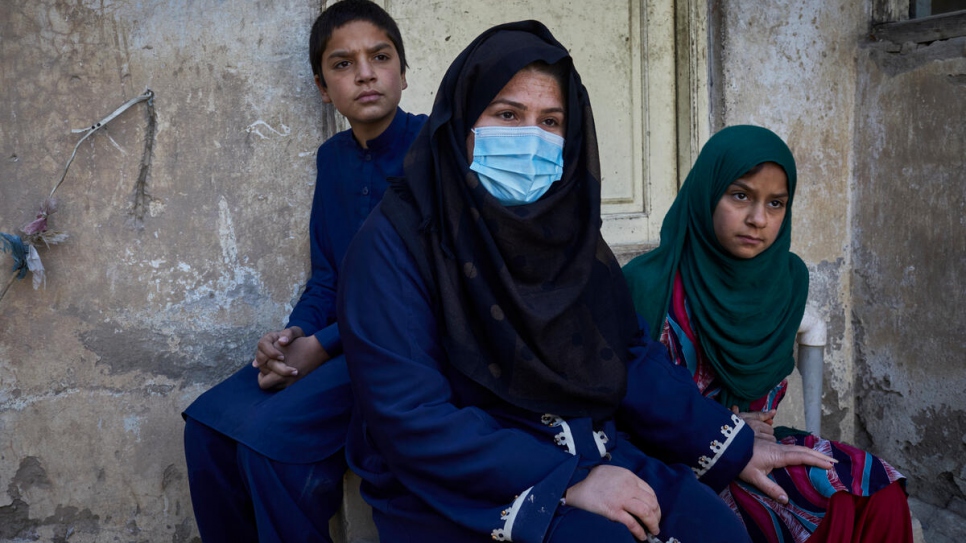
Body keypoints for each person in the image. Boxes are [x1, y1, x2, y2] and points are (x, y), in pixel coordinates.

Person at [336, 21, 836, 543]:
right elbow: (412, 417)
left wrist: (732, 445)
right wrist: (568, 481)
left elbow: (629, 356)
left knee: (720, 534)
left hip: (595, 448)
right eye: (507, 115)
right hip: (470, 481)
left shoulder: (570, 235)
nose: (531, 139)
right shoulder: (395, 242)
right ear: (462, 120)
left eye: (550, 121)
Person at [181, 1, 426, 541]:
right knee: (206, 427)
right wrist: (292, 335)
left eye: (380, 57)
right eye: (342, 64)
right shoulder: (333, 158)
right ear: (322, 88)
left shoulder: (433, 151)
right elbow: (327, 278)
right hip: (339, 344)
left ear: (403, 73)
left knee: (272, 445)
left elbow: (425, 289)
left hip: (403, 353)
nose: (364, 73)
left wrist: (325, 344)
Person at [622, 125, 912, 542]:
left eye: (775, 204)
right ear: (707, 192)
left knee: (876, 494)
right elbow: (621, 402)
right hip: (671, 460)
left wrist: (746, 434)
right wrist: (723, 428)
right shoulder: (647, 283)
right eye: (740, 195)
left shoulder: (786, 278)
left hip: (760, 447)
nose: (758, 219)